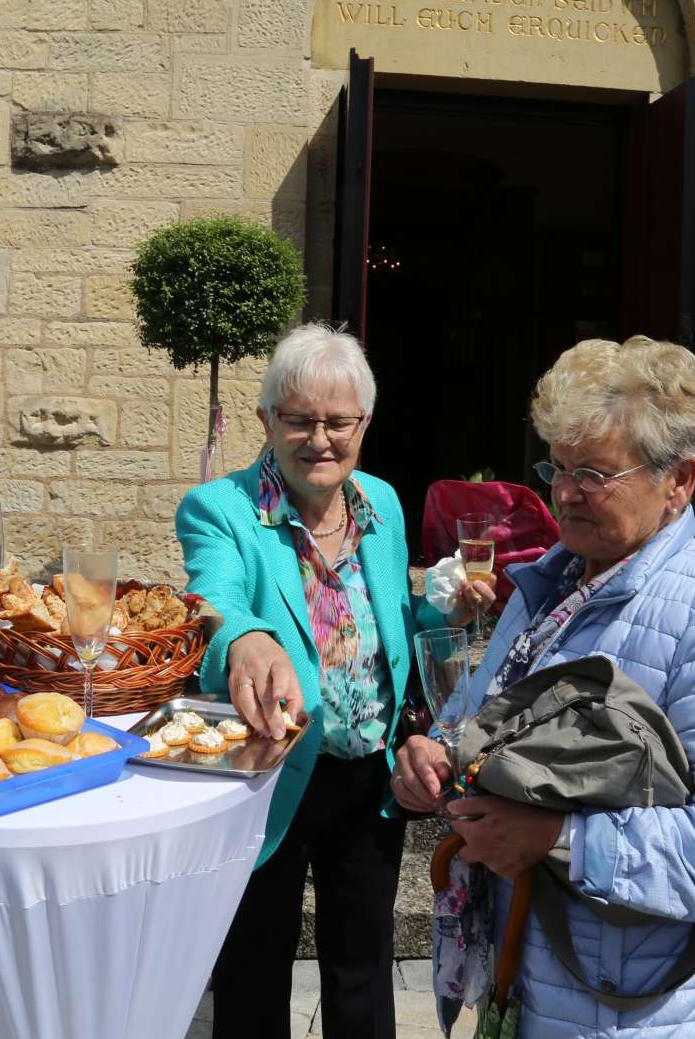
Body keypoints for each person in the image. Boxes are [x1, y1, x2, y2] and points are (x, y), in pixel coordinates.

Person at [392, 335, 695, 1038]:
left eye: (594, 474)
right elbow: (482, 724)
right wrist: (437, 756)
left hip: (639, 1015)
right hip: (528, 987)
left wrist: (559, 838)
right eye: (557, 468)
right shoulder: (546, 586)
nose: (564, 493)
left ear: (679, 480)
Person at [176, 323, 491, 1039]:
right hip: (269, 768)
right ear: (266, 420)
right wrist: (246, 636)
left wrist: (446, 609)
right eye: (299, 420)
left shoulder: (380, 504)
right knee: (253, 965)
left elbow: (396, 628)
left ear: (364, 424)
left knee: (363, 966)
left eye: (338, 422)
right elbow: (212, 599)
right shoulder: (219, 509)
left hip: (368, 774)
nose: (320, 440)